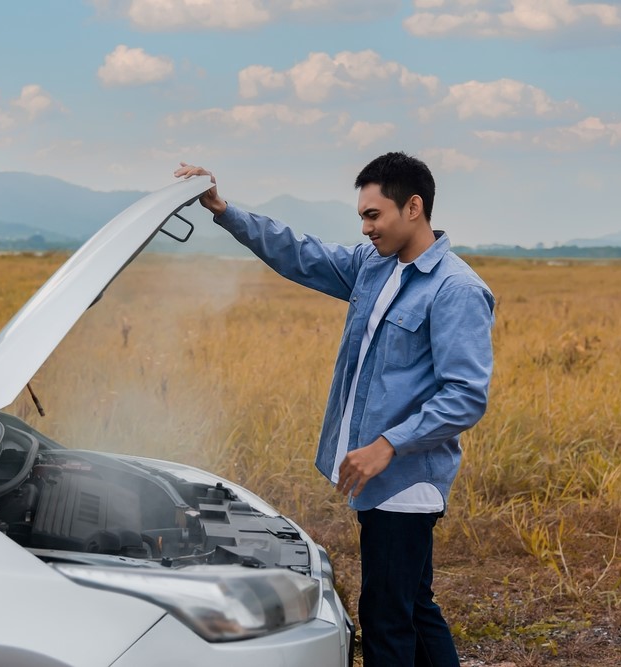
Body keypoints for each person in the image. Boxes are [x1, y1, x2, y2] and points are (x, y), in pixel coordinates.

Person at [175, 152, 494, 667]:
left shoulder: (455, 289)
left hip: (406, 482)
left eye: (374, 215)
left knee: (387, 619)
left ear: (414, 208)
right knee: (413, 605)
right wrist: (223, 210)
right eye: (362, 217)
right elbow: (300, 253)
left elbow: (466, 395)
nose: (366, 228)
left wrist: (387, 446)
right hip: (380, 477)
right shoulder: (375, 266)